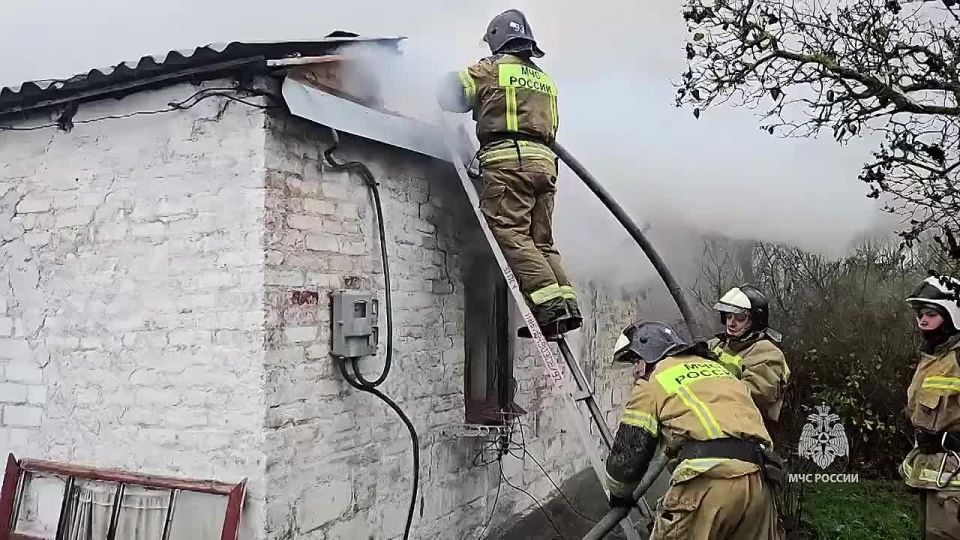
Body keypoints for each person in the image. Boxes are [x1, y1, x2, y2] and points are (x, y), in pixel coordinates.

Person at [437, 9, 581, 339]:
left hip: (509, 165)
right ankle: (567, 306)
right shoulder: (544, 80)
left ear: (497, 41)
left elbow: (453, 92)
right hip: (545, 167)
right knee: (541, 241)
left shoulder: (491, 70)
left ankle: (550, 308)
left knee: (510, 232)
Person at [605, 320, 783, 539]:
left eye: (635, 360)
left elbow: (628, 456)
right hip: (759, 482)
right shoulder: (719, 370)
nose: (635, 370)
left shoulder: (652, 382)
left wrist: (618, 495)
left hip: (708, 482)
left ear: (650, 352)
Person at [900, 275, 960, 540]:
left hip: (954, 478)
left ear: (952, 315)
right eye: (919, 314)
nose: (922, 320)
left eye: (930, 313)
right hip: (930, 475)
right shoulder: (932, 359)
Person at [709, 285, 790, 437]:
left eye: (739, 318)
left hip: (751, 433)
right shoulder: (718, 344)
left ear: (755, 320)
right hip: (717, 424)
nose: (731, 323)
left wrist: (707, 393)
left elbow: (753, 394)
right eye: (728, 316)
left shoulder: (766, 352)